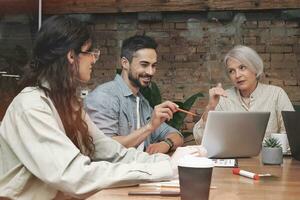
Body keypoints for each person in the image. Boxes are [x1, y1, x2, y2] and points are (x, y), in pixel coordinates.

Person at [0, 15, 205, 200]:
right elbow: (73, 175)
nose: (94, 60)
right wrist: (166, 168)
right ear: (71, 56)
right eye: (90, 53)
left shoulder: (69, 104)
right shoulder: (31, 106)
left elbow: (112, 152)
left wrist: (170, 161)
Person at [84, 35, 184, 154]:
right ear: (125, 63)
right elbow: (104, 149)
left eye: (153, 65)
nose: (150, 72)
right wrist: (149, 127)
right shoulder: (104, 97)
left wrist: (166, 143)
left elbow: (177, 135)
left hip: (143, 170)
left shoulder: (142, 103)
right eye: (144, 64)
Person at [193, 45, 294, 144]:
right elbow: (201, 140)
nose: (237, 75)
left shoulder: (276, 94)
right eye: (231, 71)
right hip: (233, 158)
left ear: (255, 68)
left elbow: (292, 136)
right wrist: (210, 107)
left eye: (242, 68)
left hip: (268, 159)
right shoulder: (222, 98)